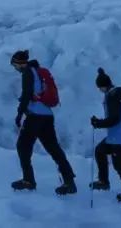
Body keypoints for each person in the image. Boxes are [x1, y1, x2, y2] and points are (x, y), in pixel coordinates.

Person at [10, 50, 76, 195]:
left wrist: (20, 114)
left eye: (14, 65)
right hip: (46, 115)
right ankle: (69, 181)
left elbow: (27, 93)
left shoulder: (27, 72)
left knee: (23, 146)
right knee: (54, 149)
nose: (15, 69)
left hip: (34, 116)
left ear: (19, 63)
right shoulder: (37, 71)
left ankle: (28, 180)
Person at [90, 68, 121, 205]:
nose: (99, 90)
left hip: (118, 137)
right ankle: (103, 181)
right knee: (100, 150)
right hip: (118, 136)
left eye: (99, 88)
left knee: (120, 165)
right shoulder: (120, 96)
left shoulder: (112, 96)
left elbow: (115, 118)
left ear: (103, 86)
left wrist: (98, 123)